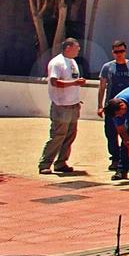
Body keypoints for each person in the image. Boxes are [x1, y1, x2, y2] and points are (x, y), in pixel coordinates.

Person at [40, 37, 85, 174]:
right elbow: (54, 82)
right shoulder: (57, 63)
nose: (78, 50)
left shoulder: (72, 62)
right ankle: (45, 163)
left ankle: (61, 162)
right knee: (58, 135)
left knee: (70, 135)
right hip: (61, 106)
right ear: (68, 48)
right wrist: (74, 83)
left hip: (73, 105)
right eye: (76, 47)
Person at [96, 40, 129, 173]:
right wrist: (100, 106)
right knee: (111, 133)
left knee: (128, 133)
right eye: (116, 52)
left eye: (121, 51)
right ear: (113, 53)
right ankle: (115, 158)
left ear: (125, 51)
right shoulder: (107, 67)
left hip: (127, 106)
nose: (119, 54)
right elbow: (102, 87)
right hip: (112, 106)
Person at [105, 86, 129, 180]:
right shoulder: (115, 110)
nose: (120, 116)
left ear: (122, 106)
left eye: (120, 114)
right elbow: (121, 130)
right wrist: (128, 142)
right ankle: (121, 171)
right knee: (125, 144)